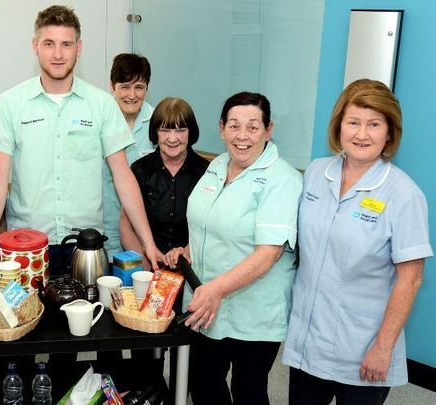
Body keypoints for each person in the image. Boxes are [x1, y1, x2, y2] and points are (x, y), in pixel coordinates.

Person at [0, 5, 162, 280]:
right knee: (28, 321)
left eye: (66, 44)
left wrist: (147, 242)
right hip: (26, 247)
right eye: (49, 44)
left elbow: (123, 176)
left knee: (91, 322)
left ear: (79, 47)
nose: (58, 54)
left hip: (87, 249)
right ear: (35, 45)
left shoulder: (101, 105)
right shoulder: (10, 104)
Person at [282, 79, 433, 405]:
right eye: (353, 122)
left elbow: (411, 278)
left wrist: (383, 347)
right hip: (310, 341)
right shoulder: (315, 174)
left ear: (390, 133)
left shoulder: (404, 194)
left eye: (374, 124)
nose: (362, 134)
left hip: (364, 347)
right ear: (338, 127)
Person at [165, 92, 302, 405]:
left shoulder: (282, 180)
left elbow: (269, 253)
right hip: (204, 302)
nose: (243, 136)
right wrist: (188, 248)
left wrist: (216, 290)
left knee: (247, 391)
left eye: (253, 127)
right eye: (235, 126)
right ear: (222, 128)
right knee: (203, 384)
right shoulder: (217, 165)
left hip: (252, 312)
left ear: (269, 130)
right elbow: (208, 221)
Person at [120, 97, 209, 263]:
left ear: (191, 132)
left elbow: (210, 228)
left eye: (181, 130)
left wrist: (187, 253)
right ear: (155, 132)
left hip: (192, 265)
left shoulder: (207, 172)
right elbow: (127, 228)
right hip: (147, 266)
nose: (173, 138)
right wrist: (146, 265)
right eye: (165, 130)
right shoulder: (140, 170)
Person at [103, 53, 155, 260]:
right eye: (125, 86)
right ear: (112, 86)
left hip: (141, 234)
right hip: (101, 231)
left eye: (139, 87)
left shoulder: (157, 123)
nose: (132, 95)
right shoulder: (97, 118)